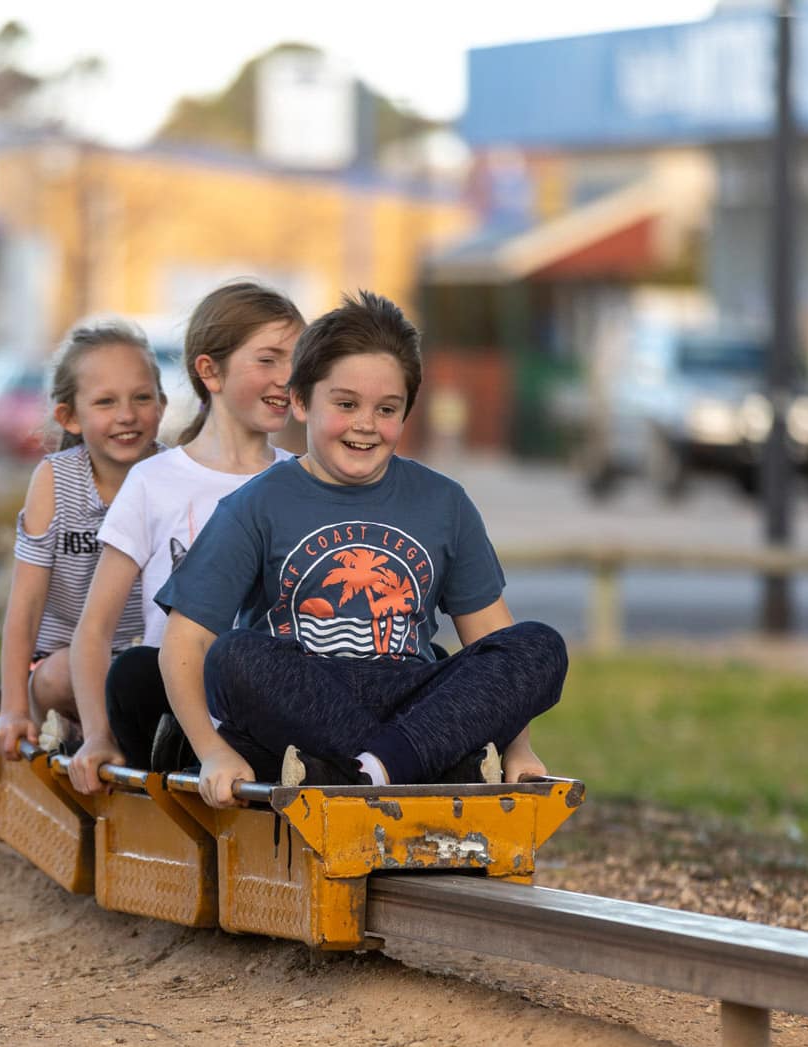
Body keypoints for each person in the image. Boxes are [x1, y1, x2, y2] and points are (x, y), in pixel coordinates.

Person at [155, 291, 569, 808]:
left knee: (539, 645)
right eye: (345, 404)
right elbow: (185, 644)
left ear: (406, 412)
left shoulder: (444, 502)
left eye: (386, 409)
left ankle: (365, 772)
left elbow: (491, 635)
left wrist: (518, 747)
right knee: (233, 655)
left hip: (412, 695)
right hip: (303, 702)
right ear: (302, 402)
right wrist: (211, 751)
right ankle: (411, 767)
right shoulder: (256, 504)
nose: (365, 424)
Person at [65, 281, 304, 793]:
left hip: (271, 695)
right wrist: (97, 736)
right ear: (209, 370)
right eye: (268, 359)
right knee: (133, 670)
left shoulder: (304, 480)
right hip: (177, 697)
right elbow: (95, 630)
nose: (288, 377)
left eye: (298, 359)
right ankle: (194, 766)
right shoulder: (154, 482)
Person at [0, 320, 166, 760]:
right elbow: (26, 604)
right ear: (70, 416)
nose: (127, 415)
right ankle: (77, 733)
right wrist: (12, 709)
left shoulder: (172, 477)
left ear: (162, 405)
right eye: (106, 402)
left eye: (141, 398)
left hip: (146, 662)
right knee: (61, 676)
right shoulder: (55, 480)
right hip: (63, 666)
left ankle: (151, 746)